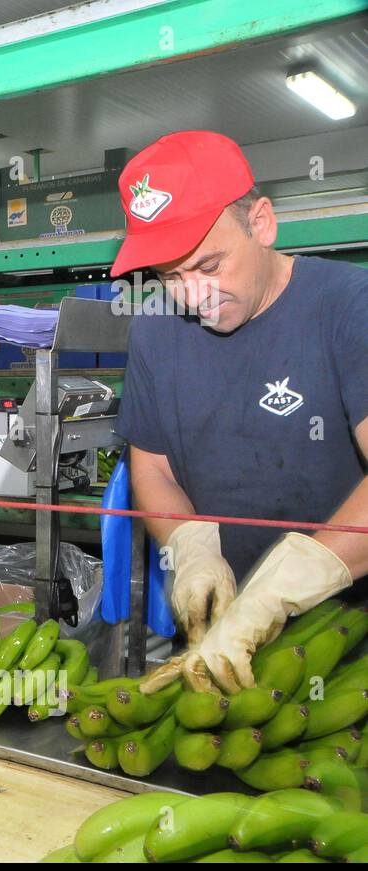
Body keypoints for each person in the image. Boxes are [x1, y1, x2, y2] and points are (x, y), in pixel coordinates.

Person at [111, 130, 368, 694]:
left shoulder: (350, 307)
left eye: (209, 265)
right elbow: (151, 469)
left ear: (263, 224)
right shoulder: (156, 330)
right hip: (217, 632)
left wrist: (287, 585)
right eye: (170, 276)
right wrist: (190, 548)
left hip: (348, 637)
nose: (192, 296)